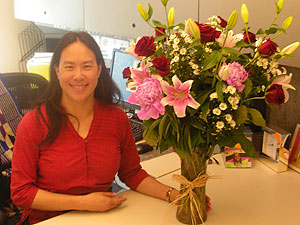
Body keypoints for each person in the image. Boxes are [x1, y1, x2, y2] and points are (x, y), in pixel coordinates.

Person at [10, 31, 210, 225]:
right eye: (69, 67)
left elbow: (131, 173)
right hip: (50, 220)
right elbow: (21, 192)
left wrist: (176, 195)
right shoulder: (34, 124)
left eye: (87, 66)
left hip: (103, 218)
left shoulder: (116, 119)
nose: (78, 75)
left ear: (99, 69)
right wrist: (84, 203)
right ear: (57, 70)